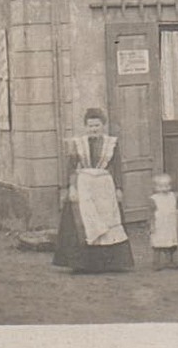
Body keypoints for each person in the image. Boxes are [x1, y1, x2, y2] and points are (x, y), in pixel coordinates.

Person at [52, 107, 135, 273]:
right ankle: (83, 263)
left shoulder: (111, 144)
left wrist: (119, 188)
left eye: (97, 125)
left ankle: (110, 263)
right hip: (84, 185)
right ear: (85, 127)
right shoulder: (79, 144)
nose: (93, 129)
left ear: (103, 126)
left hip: (104, 186)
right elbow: (71, 167)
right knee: (83, 221)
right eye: (90, 126)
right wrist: (72, 187)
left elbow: (117, 166)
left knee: (108, 221)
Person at [148, 172, 178, 270]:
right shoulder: (154, 199)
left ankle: (170, 261)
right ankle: (156, 262)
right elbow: (151, 213)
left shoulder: (172, 196)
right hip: (159, 225)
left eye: (167, 185)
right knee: (157, 243)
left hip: (170, 224)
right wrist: (152, 224)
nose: (165, 188)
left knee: (171, 244)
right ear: (155, 187)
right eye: (161, 186)